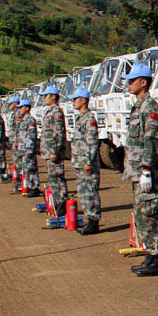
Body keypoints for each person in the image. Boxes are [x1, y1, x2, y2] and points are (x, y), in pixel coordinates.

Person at [123, 63, 158, 276]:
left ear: (143, 82)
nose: (129, 84)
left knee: (150, 213)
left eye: (132, 80)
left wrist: (147, 169)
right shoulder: (138, 106)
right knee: (142, 214)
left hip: (146, 170)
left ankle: (157, 256)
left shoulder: (149, 106)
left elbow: (151, 140)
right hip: (138, 170)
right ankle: (150, 254)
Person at [69, 88, 100, 235]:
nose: (73, 102)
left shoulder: (89, 119)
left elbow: (92, 142)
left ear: (83, 100)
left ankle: (93, 222)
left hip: (86, 162)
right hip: (80, 162)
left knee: (90, 192)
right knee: (83, 193)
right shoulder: (81, 118)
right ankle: (89, 219)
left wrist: (88, 161)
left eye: (75, 99)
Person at [40, 86, 69, 215]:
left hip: (53, 152)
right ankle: (59, 203)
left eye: (46, 95)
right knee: (53, 179)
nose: (44, 98)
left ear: (53, 96)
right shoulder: (51, 111)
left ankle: (62, 203)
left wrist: (54, 151)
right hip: (49, 152)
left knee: (57, 178)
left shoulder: (56, 112)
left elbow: (58, 133)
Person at [16, 99, 41, 198]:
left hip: (27, 149)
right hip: (23, 149)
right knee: (26, 169)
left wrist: (29, 149)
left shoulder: (30, 120)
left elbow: (31, 135)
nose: (20, 110)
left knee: (31, 169)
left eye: (21, 107)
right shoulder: (24, 120)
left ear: (26, 108)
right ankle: (31, 187)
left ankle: (34, 188)